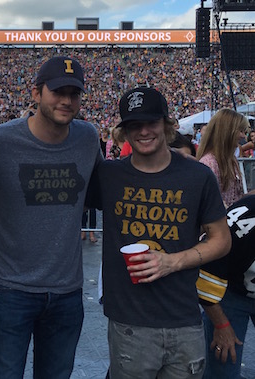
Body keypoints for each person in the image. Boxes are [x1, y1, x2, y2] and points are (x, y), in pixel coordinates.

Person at [0, 56, 102, 378]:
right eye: (58, 91)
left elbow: (108, 187)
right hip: (9, 290)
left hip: (67, 292)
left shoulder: (88, 137)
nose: (67, 101)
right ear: (36, 93)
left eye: (75, 93)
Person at [87, 87, 231, 378]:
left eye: (151, 123)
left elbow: (222, 240)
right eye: (133, 125)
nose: (143, 132)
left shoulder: (197, 176)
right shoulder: (108, 175)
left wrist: (172, 262)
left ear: (166, 124)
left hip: (185, 318)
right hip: (129, 323)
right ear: (123, 132)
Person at [197, 192, 255, 379]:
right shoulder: (240, 227)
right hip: (227, 290)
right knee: (223, 361)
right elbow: (205, 277)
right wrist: (221, 325)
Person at [197, 108, 249, 208]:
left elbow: (235, 199)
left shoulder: (231, 159)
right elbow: (211, 206)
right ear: (227, 132)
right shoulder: (209, 163)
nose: (243, 136)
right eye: (240, 131)